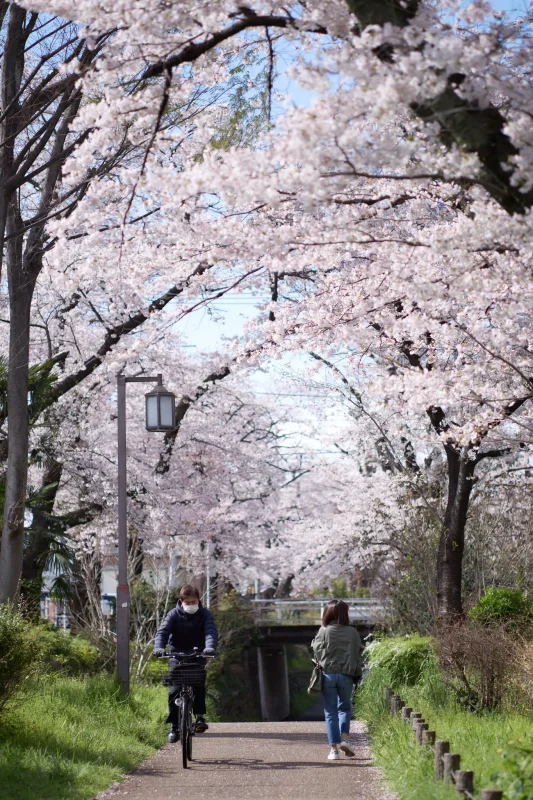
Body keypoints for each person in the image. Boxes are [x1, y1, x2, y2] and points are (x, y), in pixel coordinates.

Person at [154, 584, 218, 743]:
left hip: (198, 653)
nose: (191, 605)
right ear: (181, 601)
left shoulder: (205, 615)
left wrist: (210, 647)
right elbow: (163, 632)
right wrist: (159, 648)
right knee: (174, 691)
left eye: (193, 601)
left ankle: (200, 717)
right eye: (187, 602)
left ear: (198, 600)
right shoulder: (173, 615)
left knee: (199, 684)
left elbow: (210, 631)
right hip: (177, 654)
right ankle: (174, 727)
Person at [311, 599, 362, 761]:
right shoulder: (353, 632)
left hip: (328, 675)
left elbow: (317, 652)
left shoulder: (323, 631)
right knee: (344, 708)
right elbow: (357, 655)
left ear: (327, 613)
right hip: (346, 675)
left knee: (330, 711)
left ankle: (334, 750)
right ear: (344, 614)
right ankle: (345, 740)